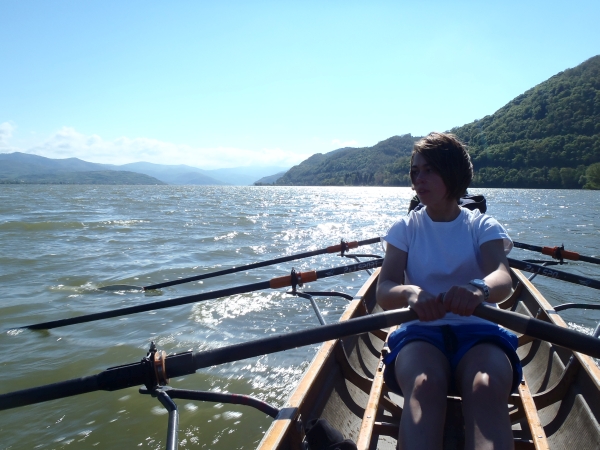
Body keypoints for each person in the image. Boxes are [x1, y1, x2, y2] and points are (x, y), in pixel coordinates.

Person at [376, 132, 522, 450]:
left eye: (429, 170)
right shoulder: (404, 229)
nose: (419, 179)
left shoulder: (482, 226)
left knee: (485, 387)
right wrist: (411, 293)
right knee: (425, 387)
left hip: (480, 334)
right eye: (415, 171)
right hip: (420, 335)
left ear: (452, 174)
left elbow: (502, 276)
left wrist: (478, 289)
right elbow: (384, 289)